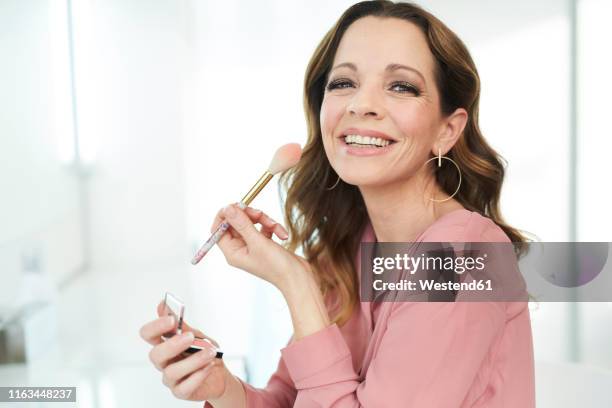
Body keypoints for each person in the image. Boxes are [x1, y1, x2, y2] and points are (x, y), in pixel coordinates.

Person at [139, 1, 535, 406]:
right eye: (343, 83)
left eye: (401, 86)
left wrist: (297, 284)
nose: (360, 104)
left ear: (447, 130)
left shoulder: (462, 255)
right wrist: (220, 387)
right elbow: (293, 399)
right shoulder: (348, 250)